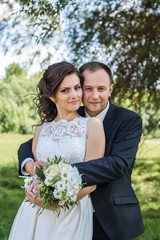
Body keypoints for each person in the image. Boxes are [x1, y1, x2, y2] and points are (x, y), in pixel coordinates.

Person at [18, 61, 145, 240]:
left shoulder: (128, 120)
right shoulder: (70, 112)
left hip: (109, 213)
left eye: (101, 88)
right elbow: (29, 146)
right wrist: (30, 165)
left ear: (110, 89)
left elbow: (118, 164)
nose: (94, 96)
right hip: (52, 211)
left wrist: (56, 174)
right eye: (87, 88)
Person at [9, 61, 106, 240]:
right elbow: (37, 173)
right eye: (65, 90)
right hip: (35, 210)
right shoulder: (41, 128)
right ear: (52, 96)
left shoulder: (92, 125)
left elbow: (92, 181)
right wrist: (32, 190)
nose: (75, 95)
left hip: (72, 211)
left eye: (77, 87)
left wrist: (56, 203)